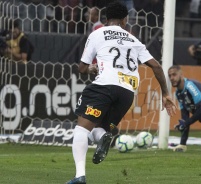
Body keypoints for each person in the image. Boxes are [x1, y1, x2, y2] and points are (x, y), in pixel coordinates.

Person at [66, 2, 177, 184]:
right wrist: (165, 94)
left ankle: (80, 176)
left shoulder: (97, 34)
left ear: (106, 19)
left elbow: (82, 67)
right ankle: (103, 137)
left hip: (103, 86)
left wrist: (92, 68)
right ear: (125, 20)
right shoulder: (134, 40)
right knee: (99, 127)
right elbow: (156, 66)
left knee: (81, 129)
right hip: (127, 93)